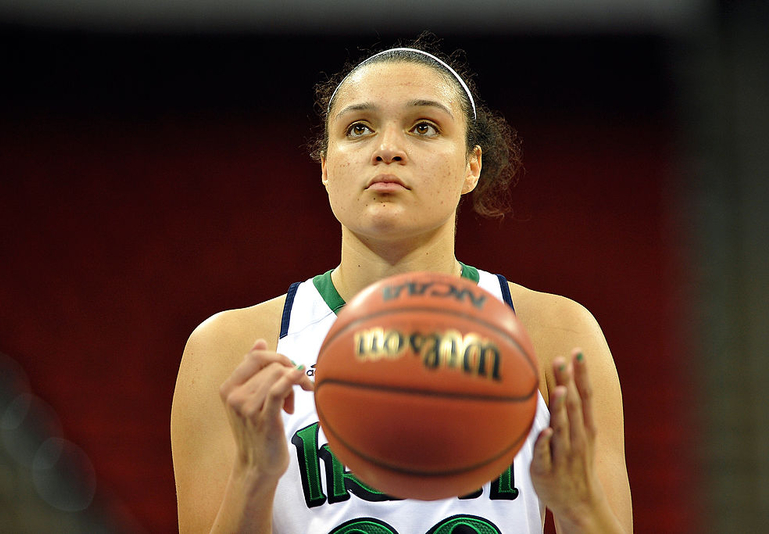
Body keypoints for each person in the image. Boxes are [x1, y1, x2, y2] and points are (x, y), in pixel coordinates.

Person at [171, 35, 633, 534]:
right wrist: (253, 476)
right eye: (359, 128)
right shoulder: (231, 348)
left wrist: (578, 507)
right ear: (326, 167)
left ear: (471, 167)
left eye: (424, 126)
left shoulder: (556, 333)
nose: (387, 149)